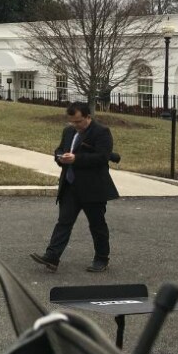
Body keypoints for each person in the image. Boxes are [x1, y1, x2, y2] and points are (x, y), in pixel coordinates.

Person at [31, 102, 119, 273]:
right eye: (72, 121)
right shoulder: (69, 131)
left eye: (78, 121)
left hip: (93, 187)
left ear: (88, 117)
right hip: (70, 186)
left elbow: (102, 157)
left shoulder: (101, 132)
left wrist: (76, 159)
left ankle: (101, 258)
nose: (75, 125)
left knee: (97, 224)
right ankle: (52, 256)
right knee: (64, 222)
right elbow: (59, 149)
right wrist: (59, 157)